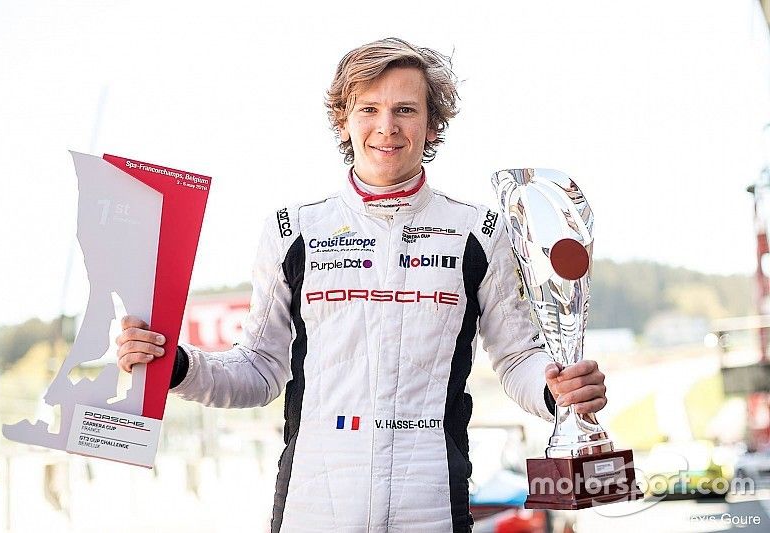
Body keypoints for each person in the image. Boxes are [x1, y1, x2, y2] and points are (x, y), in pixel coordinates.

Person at [116, 37, 607, 533]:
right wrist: (176, 366)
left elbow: (519, 358)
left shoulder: (481, 231)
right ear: (343, 120)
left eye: (405, 109)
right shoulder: (293, 230)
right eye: (368, 108)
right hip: (312, 509)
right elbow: (259, 371)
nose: (386, 127)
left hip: (433, 509)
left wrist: (560, 392)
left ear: (433, 122)